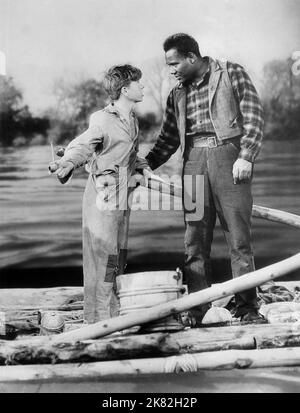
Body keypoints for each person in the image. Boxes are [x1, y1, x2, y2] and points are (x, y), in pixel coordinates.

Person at [145, 33, 264, 325]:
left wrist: (246, 156)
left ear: (192, 57)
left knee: (239, 239)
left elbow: (254, 117)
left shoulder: (231, 72)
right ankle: (197, 309)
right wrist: (145, 164)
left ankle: (247, 308)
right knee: (194, 241)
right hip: (193, 163)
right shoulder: (177, 93)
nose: (171, 70)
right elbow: (168, 139)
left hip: (229, 158)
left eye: (174, 63)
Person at [49, 65, 149, 323]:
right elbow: (83, 144)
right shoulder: (101, 118)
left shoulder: (133, 119)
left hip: (123, 194)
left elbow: (128, 154)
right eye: (139, 83)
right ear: (125, 90)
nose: (143, 87)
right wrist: (68, 162)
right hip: (103, 195)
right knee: (103, 258)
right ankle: (97, 320)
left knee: (118, 257)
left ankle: (113, 314)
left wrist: (142, 167)